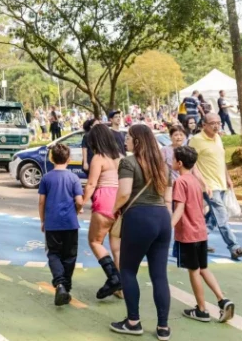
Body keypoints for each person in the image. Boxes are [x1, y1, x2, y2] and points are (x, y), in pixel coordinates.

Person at [109, 125, 173, 340]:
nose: (125, 140)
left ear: (136, 141)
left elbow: (124, 192)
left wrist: (113, 210)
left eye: (128, 137)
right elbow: (168, 199)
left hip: (139, 218)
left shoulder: (128, 162)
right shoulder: (163, 165)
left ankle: (133, 321)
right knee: (159, 275)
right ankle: (163, 326)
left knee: (127, 270)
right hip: (163, 218)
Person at [171, 146, 235, 324]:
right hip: (200, 232)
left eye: (173, 159)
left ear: (180, 162)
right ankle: (222, 299)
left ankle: (201, 309)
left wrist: (167, 226)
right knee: (203, 268)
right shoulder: (194, 180)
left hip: (188, 233)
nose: (171, 161)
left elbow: (180, 208)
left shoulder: (180, 182)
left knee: (193, 271)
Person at [189, 113, 242, 260]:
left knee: (213, 218)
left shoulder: (218, 138)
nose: (216, 126)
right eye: (212, 123)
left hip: (221, 183)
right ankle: (234, 247)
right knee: (221, 215)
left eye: (219, 123)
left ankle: (196, 242)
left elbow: (221, 160)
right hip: (208, 186)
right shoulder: (196, 140)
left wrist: (228, 178)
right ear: (204, 125)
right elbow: (192, 164)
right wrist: (203, 184)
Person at [78, 125, 123, 299]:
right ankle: (122, 287)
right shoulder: (119, 157)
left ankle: (113, 277)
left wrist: (80, 203)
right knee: (117, 248)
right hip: (120, 203)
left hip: (104, 202)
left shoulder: (98, 158)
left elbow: (91, 184)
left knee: (95, 241)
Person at [38, 143, 84, 306]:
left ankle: (59, 283)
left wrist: (43, 220)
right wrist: (78, 209)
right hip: (70, 223)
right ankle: (66, 285)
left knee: (53, 253)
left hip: (52, 223)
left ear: (51, 158)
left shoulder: (47, 177)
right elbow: (79, 200)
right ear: (69, 159)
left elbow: (42, 201)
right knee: (70, 255)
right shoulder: (74, 178)